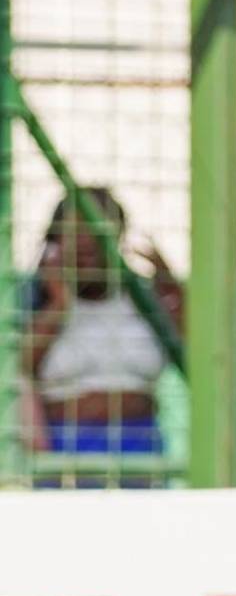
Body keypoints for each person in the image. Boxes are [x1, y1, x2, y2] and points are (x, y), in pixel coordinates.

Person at [23, 186, 181, 465]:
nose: (86, 242)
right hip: (65, 447)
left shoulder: (144, 300)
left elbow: (195, 354)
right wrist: (59, 304)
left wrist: (170, 287)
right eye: (75, 233)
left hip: (140, 445)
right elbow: (21, 367)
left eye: (96, 230)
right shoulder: (36, 301)